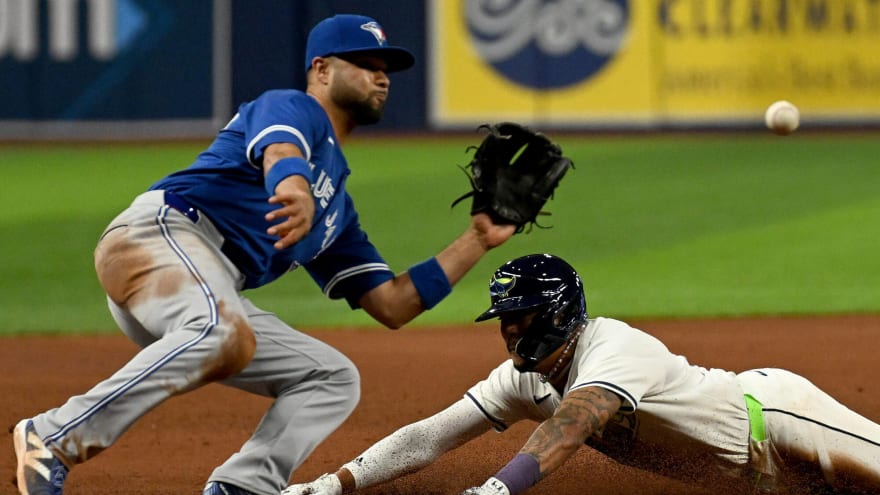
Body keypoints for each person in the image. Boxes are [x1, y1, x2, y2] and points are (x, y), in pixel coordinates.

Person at [12, 14, 520, 495]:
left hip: (203, 290)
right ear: (320, 69)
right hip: (157, 239)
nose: (381, 78)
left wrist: (476, 238)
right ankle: (53, 437)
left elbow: (391, 303)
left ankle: (242, 484)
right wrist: (293, 187)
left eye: (385, 70)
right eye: (366, 64)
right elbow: (281, 152)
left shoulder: (336, 209)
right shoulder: (292, 108)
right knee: (221, 330)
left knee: (331, 376)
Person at [284, 253, 880, 495]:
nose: (512, 333)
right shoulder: (523, 378)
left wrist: (497, 490)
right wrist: (335, 483)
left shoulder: (612, 346)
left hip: (779, 420)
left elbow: (574, 422)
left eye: (523, 318)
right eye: (504, 322)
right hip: (754, 480)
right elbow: (433, 434)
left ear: (562, 312)